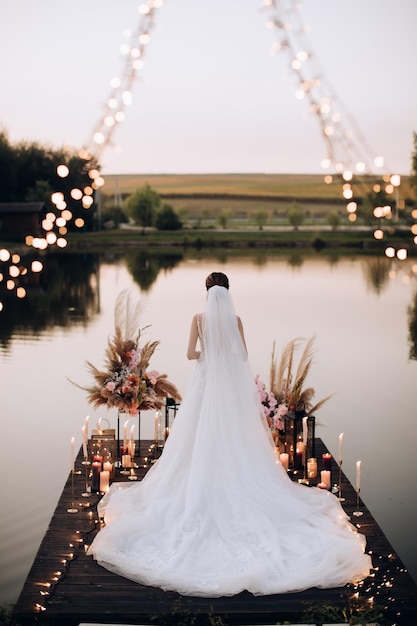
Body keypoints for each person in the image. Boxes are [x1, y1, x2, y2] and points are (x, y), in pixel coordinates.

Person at [87, 271, 372, 597]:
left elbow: (191, 355)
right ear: (228, 292)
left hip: (206, 387)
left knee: (194, 437)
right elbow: (243, 356)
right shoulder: (235, 320)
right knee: (235, 436)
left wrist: (208, 352)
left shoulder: (197, 318)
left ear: (207, 291)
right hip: (227, 391)